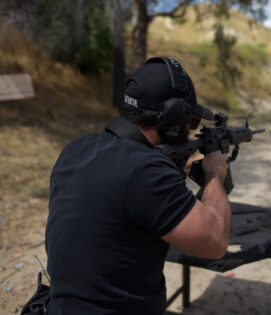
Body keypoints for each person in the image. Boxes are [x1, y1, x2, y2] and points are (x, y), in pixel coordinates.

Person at [44, 57, 231, 315]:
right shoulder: (146, 172)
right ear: (175, 116)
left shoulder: (77, 148)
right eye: (191, 122)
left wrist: (175, 171)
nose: (190, 130)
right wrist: (214, 173)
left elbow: (123, 195)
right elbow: (215, 243)